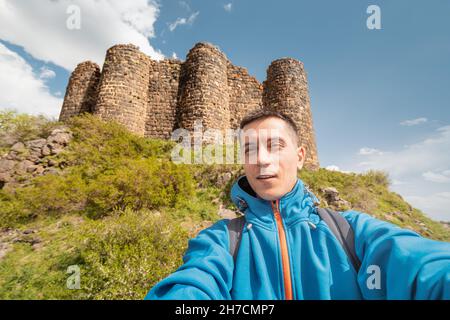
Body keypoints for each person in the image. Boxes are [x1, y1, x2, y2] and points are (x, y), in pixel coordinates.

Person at [145, 109, 450, 300]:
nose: (262, 159)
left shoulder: (352, 233)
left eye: (275, 145)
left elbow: (422, 267)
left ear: (301, 156)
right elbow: (193, 285)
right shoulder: (221, 241)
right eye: (250, 149)